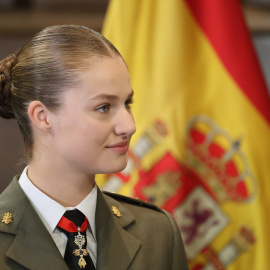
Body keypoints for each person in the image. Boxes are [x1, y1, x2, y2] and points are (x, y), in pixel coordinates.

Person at [0, 25, 189, 270]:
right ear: (42, 116)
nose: (129, 126)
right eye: (104, 107)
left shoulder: (157, 232)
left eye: (127, 103)